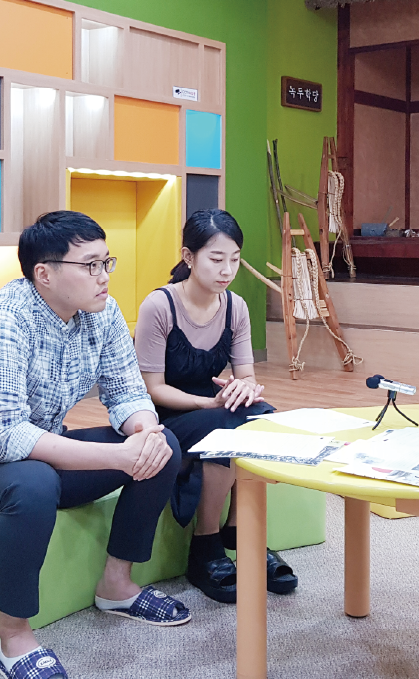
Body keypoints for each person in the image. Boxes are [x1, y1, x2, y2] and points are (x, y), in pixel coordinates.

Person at [0, 210, 189, 679]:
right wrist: (119, 456)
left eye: (107, 263)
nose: (104, 276)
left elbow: (127, 392)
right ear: (44, 274)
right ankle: (14, 639)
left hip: (39, 459)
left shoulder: (101, 313)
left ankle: (117, 585)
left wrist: (144, 436)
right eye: (90, 266)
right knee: (33, 482)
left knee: (163, 444)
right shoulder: (6, 319)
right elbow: (7, 435)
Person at [133, 209, 298, 604]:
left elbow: (246, 374)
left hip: (215, 406)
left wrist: (245, 389)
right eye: (216, 259)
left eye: (235, 259)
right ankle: (205, 543)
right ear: (189, 257)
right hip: (168, 415)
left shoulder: (235, 307)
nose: (227, 270)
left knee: (261, 416)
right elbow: (153, 389)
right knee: (225, 426)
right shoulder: (159, 305)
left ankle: (241, 529)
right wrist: (211, 402)